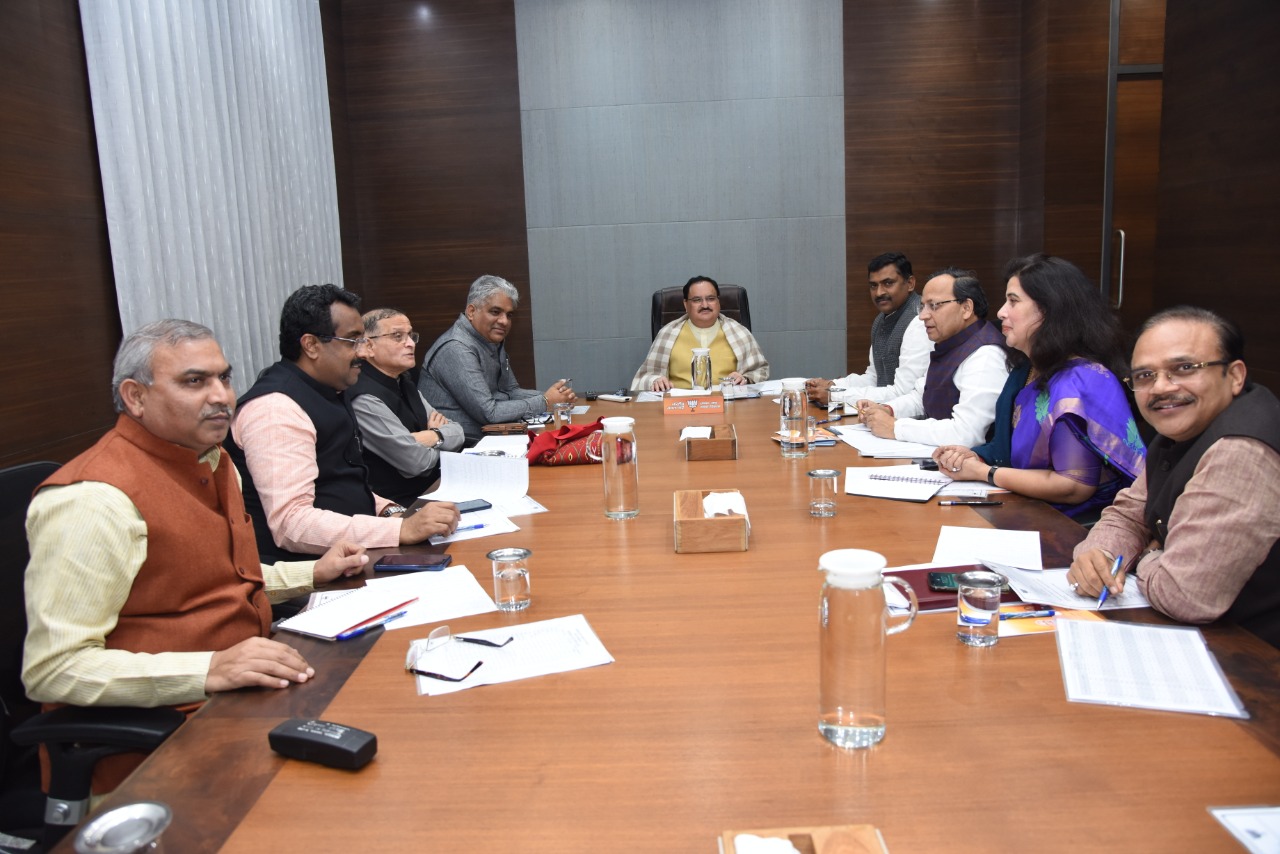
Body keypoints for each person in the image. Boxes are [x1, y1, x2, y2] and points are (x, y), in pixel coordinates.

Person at [22, 319, 370, 793]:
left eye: (224, 378)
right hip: (158, 747)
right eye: (194, 381)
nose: (222, 396)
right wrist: (209, 668)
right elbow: (54, 671)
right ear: (135, 397)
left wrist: (314, 571)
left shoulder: (213, 459)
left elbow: (213, 579)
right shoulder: (92, 500)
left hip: (247, 697)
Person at [1067, 307, 1280, 646]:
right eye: (1145, 376)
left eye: (1184, 368)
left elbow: (1185, 594)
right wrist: (1101, 554)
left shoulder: (1241, 451)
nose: (1162, 388)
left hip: (1253, 659)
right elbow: (1127, 514)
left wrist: (1148, 557)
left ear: (1235, 375)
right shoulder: (1184, 426)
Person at [228, 285, 459, 562]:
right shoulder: (275, 409)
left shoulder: (329, 390)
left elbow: (342, 484)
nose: (363, 353)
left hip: (354, 551)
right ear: (311, 345)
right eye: (353, 341)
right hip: (311, 576)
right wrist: (400, 529)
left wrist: (391, 511)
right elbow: (292, 525)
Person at [932, 254, 1146, 519]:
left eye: (1013, 301)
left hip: (1075, 526)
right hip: (1025, 506)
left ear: (1049, 310)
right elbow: (1008, 447)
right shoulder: (1027, 368)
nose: (1001, 312)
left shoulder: (1081, 381)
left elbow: (1074, 487)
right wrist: (975, 456)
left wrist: (985, 473)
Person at [855, 268, 1009, 447]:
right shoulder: (953, 344)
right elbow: (924, 396)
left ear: (966, 308)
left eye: (934, 306)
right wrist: (887, 409)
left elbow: (967, 433)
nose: (922, 316)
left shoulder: (986, 355)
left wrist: (896, 427)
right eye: (923, 306)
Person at [419, 275, 575, 443]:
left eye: (509, 315)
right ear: (471, 311)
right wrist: (545, 401)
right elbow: (489, 413)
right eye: (495, 312)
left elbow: (510, 391)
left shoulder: (489, 339)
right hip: (464, 446)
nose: (504, 321)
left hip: (491, 437)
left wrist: (554, 397)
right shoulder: (456, 348)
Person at [350, 308, 465, 506]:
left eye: (411, 336)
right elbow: (416, 462)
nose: (411, 343)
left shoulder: (403, 381)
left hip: (435, 486)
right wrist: (443, 441)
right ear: (368, 346)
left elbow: (458, 431)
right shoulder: (363, 396)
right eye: (397, 336)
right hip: (401, 507)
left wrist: (433, 436)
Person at [806, 252, 931, 406]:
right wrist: (832, 385)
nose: (879, 292)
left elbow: (904, 392)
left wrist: (836, 396)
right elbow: (874, 378)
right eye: (873, 285)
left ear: (910, 283)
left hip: (910, 421)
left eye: (888, 283)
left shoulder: (919, 321)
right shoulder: (882, 319)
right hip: (882, 415)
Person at [631, 275, 770, 392]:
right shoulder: (667, 333)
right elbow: (645, 377)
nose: (705, 305)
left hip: (728, 404)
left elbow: (760, 371)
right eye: (697, 300)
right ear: (685, 304)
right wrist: (656, 381)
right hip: (680, 407)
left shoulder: (739, 333)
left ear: (718, 302)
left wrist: (744, 378)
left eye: (711, 298)